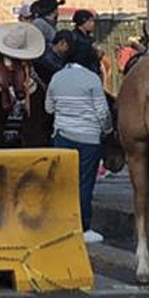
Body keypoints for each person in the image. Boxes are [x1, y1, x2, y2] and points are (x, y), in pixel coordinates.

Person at [46, 40, 110, 244]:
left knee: (64, 182)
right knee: (84, 183)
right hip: (89, 138)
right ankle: (83, 227)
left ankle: (62, 224)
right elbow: (102, 112)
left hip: (62, 135)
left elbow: (48, 107)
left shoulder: (57, 77)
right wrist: (107, 129)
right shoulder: (92, 79)